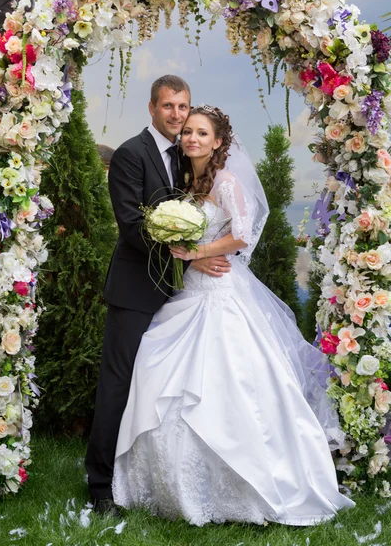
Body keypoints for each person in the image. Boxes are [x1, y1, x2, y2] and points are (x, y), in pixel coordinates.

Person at [112, 104, 355, 526]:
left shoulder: (225, 181)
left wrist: (198, 252)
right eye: (188, 132)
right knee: (161, 364)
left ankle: (245, 487)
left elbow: (241, 236)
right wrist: (185, 253)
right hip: (190, 291)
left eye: (202, 134)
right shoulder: (184, 184)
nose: (192, 139)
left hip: (221, 292)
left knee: (230, 381)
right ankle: (170, 486)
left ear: (219, 142)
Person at [85, 78, 231, 516]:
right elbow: (132, 226)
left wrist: (195, 257)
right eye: (168, 106)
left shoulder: (187, 158)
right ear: (152, 108)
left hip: (177, 295)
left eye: (183, 106)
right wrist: (192, 259)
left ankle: (147, 477)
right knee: (118, 383)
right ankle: (99, 485)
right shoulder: (132, 154)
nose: (176, 115)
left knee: (162, 387)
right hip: (135, 290)